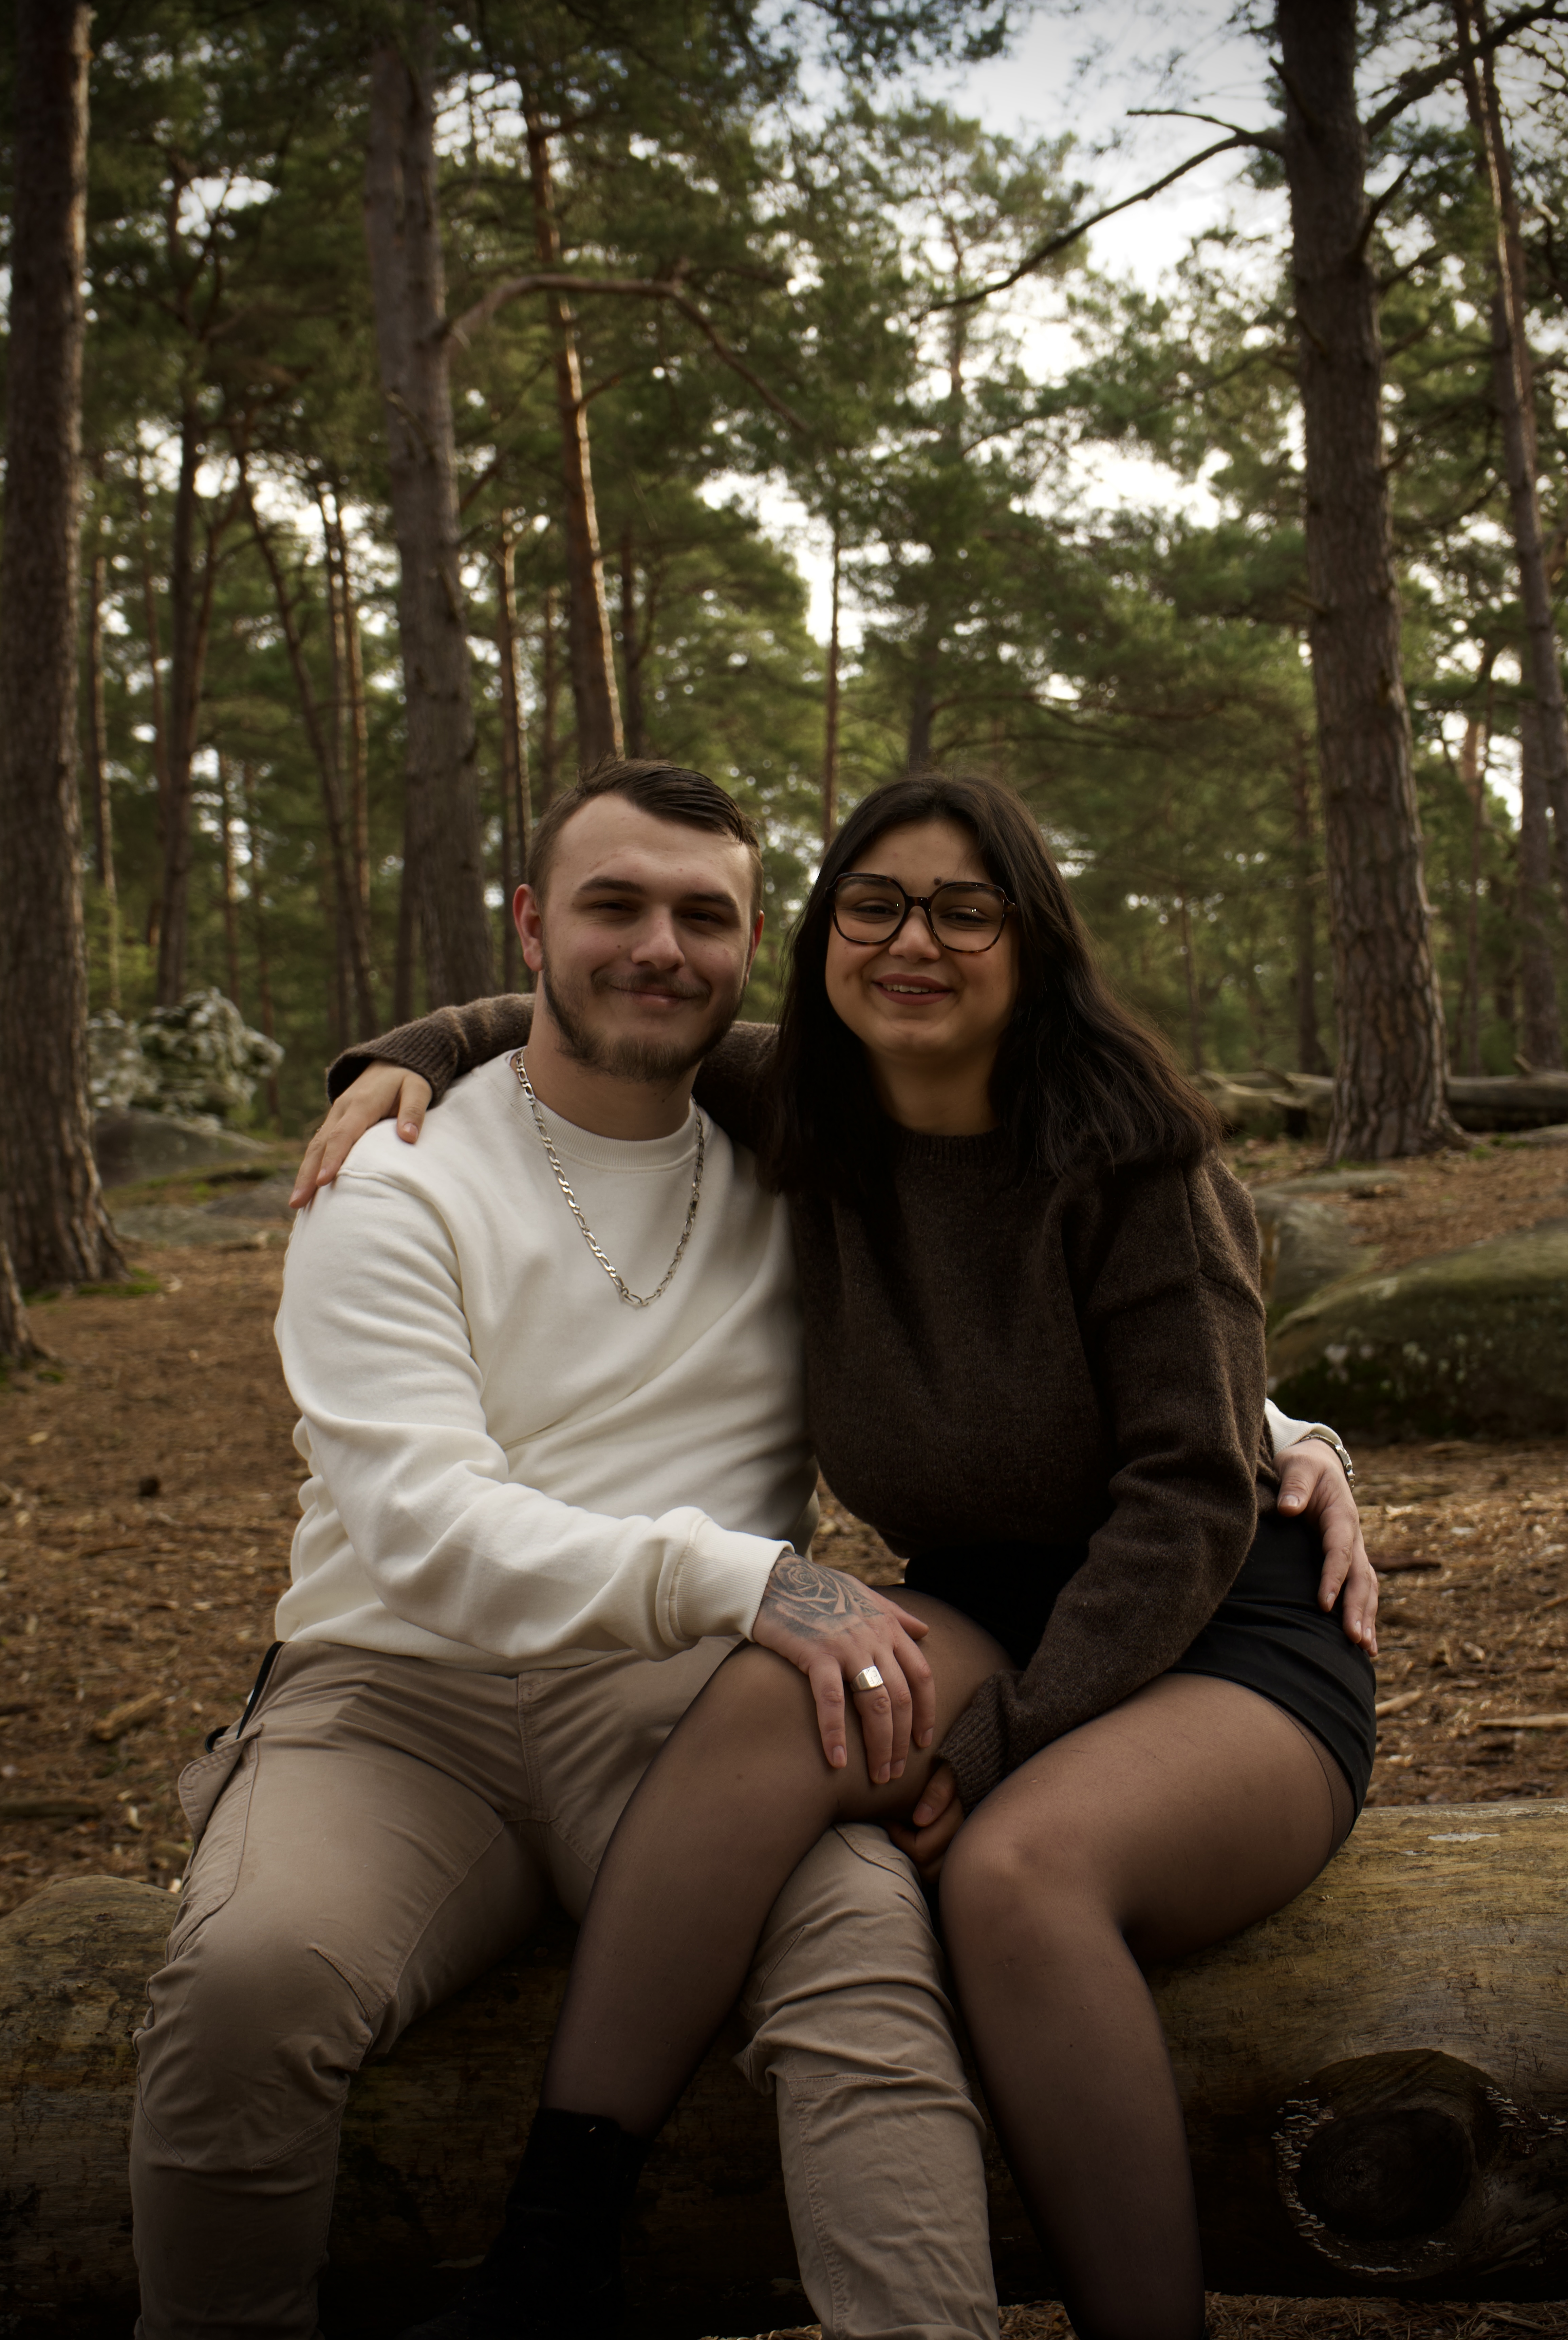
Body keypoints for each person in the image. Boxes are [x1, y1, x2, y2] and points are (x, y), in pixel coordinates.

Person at [309, 769, 1377, 2340]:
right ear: (821, 946)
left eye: (964, 909)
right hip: (995, 1603)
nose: (912, 942)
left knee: (1014, 1872)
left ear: (1033, 942)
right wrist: (404, 1056)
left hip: (1224, 1627)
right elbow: (593, 1003)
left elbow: (1189, 1499)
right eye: (873, 905)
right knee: (783, 1684)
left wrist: (1006, 1741)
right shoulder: (807, 1104)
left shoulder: (1139, 1166)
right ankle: (555, 2245)